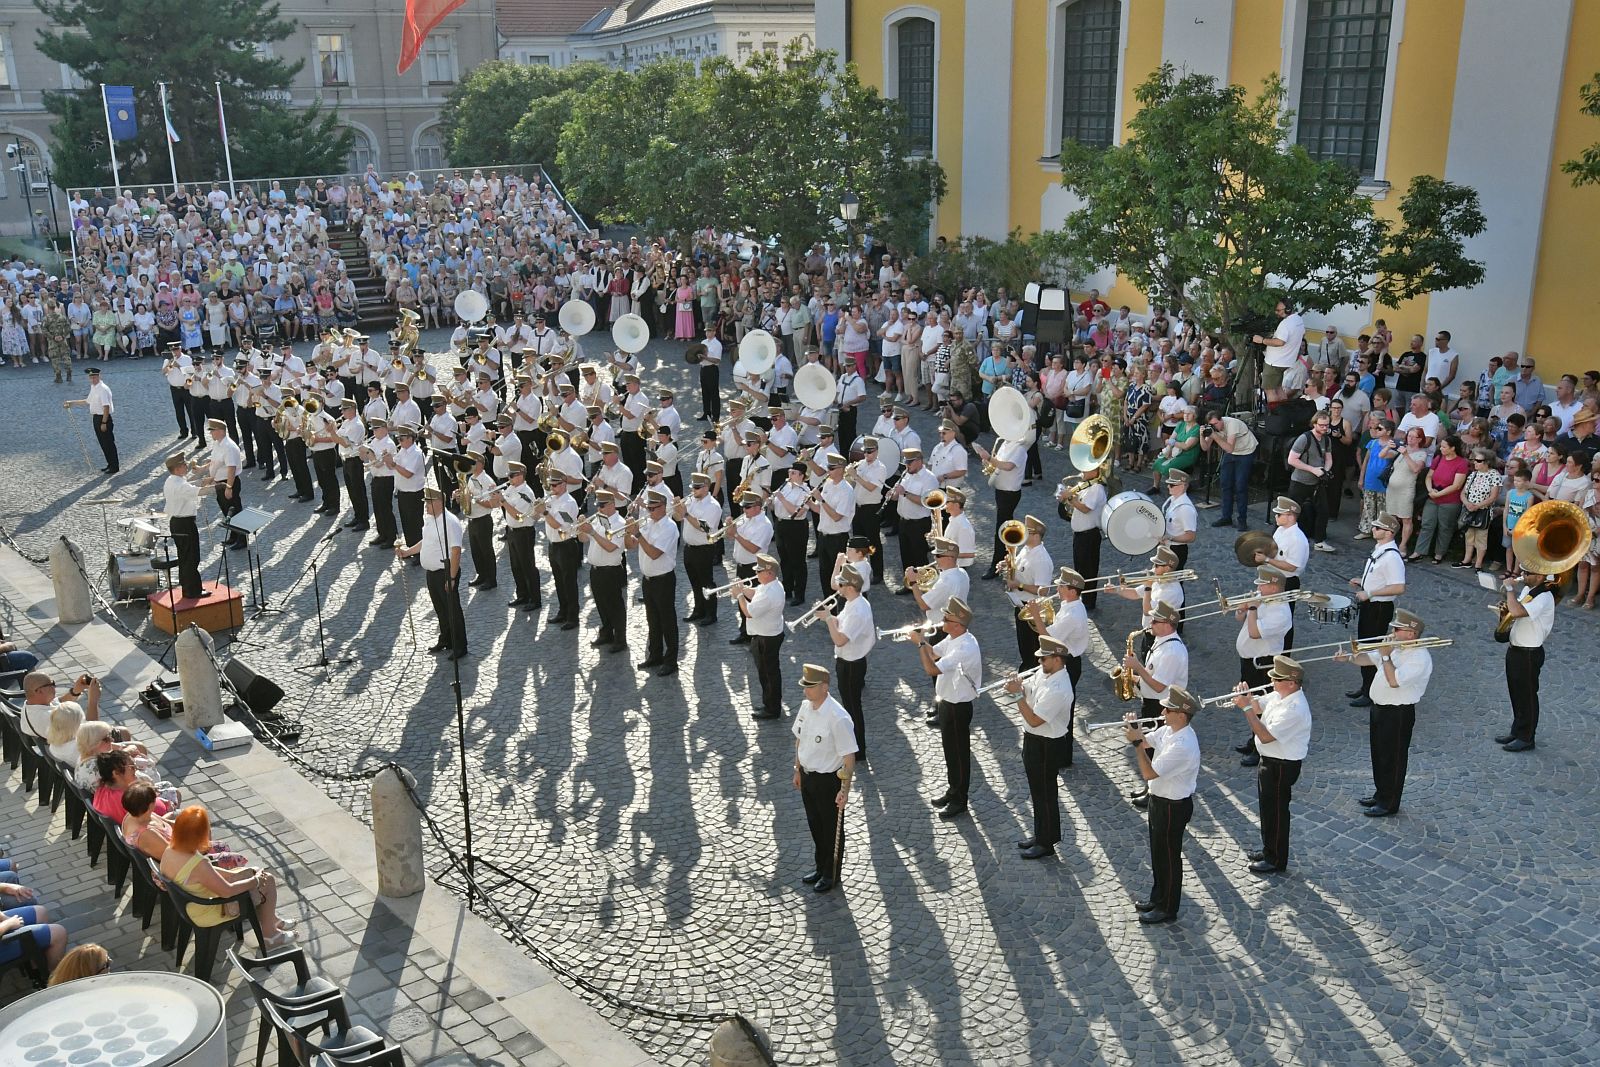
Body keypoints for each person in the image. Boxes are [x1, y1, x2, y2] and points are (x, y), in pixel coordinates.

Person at [1332, 608, 1433, 817]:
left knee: (1393, 758)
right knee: (1378, 755)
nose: (1392, 631)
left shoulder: (1419, 658)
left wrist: (1386, 657)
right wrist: (1350, 658)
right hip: (1380, 709)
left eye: (1397, 629)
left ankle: (1389, 803)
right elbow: (1366, 659)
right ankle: (1381, 793)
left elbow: (1394, 681)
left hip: (1398, 713)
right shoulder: (1396, 647)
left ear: (1411, 634)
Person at [158, 805, 296, 950]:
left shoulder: (171, 850)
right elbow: (227, 892)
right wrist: (254, 881)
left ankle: (271, 921)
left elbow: (206, 872)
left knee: (253, 872)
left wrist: (236, 874)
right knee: (268, 881)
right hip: (206, 910)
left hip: (188, 903)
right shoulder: (199, 864)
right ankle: (271, 936)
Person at [1124, 685, 1201, 925]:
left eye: (1167, 709)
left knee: (1168, 858)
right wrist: (1137, 732)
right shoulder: (1169, 730)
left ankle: (1168, 907)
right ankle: (1158, 898)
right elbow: (1148, 742)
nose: (1162, 711)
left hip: (1172, 807)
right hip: (1160, 803)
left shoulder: (1183, 745)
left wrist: (1136, 744)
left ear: (1181, 715)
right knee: (1158, 856)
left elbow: (1148, 773)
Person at [1235, 655, 1312, 874]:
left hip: (1281, 765)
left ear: (1291, 682)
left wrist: (1246, 709)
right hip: (1270, 762)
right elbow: (1259, 705)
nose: (1272, 683)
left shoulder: (1294, 708)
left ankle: (1276, 859)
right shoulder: (1280, 695)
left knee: (1276, 813)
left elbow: (1266, 736)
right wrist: (1247, 698)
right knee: (1267, 810)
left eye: (1277, 680)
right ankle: (1269, 849)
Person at [908, 596, 981, 820]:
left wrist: (920, 643)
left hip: (959, 707)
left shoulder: (965, 647)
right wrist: (922, 641)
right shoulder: (954, 637)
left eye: (946, 618)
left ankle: (960, 800)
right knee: (951, 752)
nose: (942, 621)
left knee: (959, 755)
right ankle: (953, 791)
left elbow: (931, 669)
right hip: (948, 703)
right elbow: (934, 653)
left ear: (958, 624)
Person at [1005, 636, 1075, 860]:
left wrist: (1017, 695)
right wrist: (1018, 687)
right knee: (1037, 791)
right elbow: (1029, 689)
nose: (1040, 662)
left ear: (1057, 659)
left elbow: (1035, 719)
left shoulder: (1059, 687)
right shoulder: (1044, 673)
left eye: (1044, 658)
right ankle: (1040, 834)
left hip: (1048, 744)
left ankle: (1046, 842)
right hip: (1034, 740)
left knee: (1045, 793)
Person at [791, 663, 858, 894]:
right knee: (815, 826)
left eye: (810, 687)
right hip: (809, 777)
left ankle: (832, 874)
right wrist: (797, 769)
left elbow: (849, 756)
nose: (805, 691)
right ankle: (820, 867)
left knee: (830, 829)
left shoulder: (837, 717)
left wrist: (845, 790)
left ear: (824, 687)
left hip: (828, 781)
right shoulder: (805, 707)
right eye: (805, 686)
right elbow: (799, 739)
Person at [395, 487, 467, 659]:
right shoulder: (430, 519)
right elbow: (425, 541)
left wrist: (451, 577)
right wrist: (407, 552)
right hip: (432, 572)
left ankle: (460, 645)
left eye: (428, 503)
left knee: (452, 610)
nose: (425, 506)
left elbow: (456, 551)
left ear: (438, 503)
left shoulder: (450, 522)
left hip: (445, 571)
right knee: (441, 609)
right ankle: (446, 639)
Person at [1232, 567, 1294, 767]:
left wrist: (1252, 608)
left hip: (1263, 663)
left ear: (1275, 587)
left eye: (1263, 584)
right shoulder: (1263, 598)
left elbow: (1254, 633)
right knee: (1252, 702)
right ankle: (1253, 741)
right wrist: (1242, 609)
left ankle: (1260, 749)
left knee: (1261, 706)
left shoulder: (1282, 612)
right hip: (1250, 660)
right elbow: (1239, 619)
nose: (1258, 587)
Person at [1347, 513, 1407, 706]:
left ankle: (1371, 692)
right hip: (1371, 604)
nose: (1374, 530)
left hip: (1379, 607)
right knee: (1364, 645)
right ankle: (1366, 686)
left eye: (1378, 528)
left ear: (1389, 532)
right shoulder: (1380, 549)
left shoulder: (1392, 557)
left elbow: (1399, 587)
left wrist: (1369, 592)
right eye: (1374, 527)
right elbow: (1378, 576)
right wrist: (1362, 582)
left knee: (1372, 648)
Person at [1499, 571, 1557, 752]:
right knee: (1516, 694)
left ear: (1540, 577)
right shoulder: (1527, 590)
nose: (1523, 575)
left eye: (1528, 573)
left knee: (1528, 696)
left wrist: (1509, 590)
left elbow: (1517, 612)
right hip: (1516, 649)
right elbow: (1515, 615)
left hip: (1529, 653)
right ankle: (1517, 731)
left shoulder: (1544, 597)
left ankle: (1526, 737)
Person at [821, 566, 874, 761]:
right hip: (848, 661)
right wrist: (829, 617)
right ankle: (854, 745)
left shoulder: (857, 609)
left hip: (851, 664)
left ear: (850, 586)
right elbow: (842, 625)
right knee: (850, 705)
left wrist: (827, 619)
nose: (838, 587)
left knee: (852, 707)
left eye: (841, 584)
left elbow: (840, 639)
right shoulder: (853, 603)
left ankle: (858, 750)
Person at [630, 489, 681, 677]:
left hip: (663, 580)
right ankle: (655, 655)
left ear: (663, 506)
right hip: (648, 580)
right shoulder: (649, 523)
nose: (650, 512)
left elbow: (654, 553)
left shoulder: (669, 527)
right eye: (649, 508)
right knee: (652, 620)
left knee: (667, 621)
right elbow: (633, 543)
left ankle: (671, 660)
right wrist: (630, 533)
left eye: (653, 508)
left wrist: (639, 535)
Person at [1256, 495, 1310, 648]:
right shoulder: (1280, 530)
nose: (1276, 516)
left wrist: (1266, 560)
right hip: (1274, 578)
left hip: (1287, 582)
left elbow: (1292, 566)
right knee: (1269, 613)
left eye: (1279, 514)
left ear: (1290, 516)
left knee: (1284, 619)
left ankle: (1284, 653)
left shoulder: (1297, 539)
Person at [580, 488, 629, 653]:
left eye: (602, 505)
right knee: (601, 603)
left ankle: (620, 639)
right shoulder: (598, 519)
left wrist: (592, 532)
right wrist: (581, 528)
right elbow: (583, 539)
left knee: (615, 605)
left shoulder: (619, 524)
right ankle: (607, 632)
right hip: (596, 569)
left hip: (611, 570)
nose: (599, 509)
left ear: (612, 504)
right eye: (598, 506)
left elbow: (610, 547)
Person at [737, 553, 785, 715]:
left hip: (766, 637)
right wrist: (743, 589)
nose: (756, 574)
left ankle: (772, 708)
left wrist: (738, 595)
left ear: (769, 573)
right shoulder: (768, 585)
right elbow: (755, 593)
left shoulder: (769, 593)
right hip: (766, 634)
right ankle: (769, 703)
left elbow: (749, 612)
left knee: (768, 673)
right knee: (766, 671)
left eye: (759, 571)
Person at [1005, 516, 1052, 669]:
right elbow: (1019, 569)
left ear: (1036, 535)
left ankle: (1029, 674)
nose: (1023, 534)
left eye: (1027, 532)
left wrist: (1019, 585)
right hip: (1020, 604)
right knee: (1023, 646)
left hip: (1032, 609)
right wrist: (1006, 565)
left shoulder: (1041, 560)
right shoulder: (1026, 549)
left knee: (1031, 649)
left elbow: (1043, 590)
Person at [1286, 410, 1335, 552]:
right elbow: (1292, 459)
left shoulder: (1326, 439)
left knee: (1323, 511)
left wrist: (1324, 470)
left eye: (1326, 425)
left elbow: (1329, 458)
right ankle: (1281, 538)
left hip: (1317, 483)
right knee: (1290, 511)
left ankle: (1319, 541)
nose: (1325, 428)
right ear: (1314, 424)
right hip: (1300, 481)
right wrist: (1313, 469)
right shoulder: (1304, 438)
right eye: (1321, 425)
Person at [162, 451, 207, 600]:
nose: (187, 465)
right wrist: (218, 487)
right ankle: (192, 591)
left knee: (185, 556)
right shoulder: (179, 485)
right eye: (183, 464)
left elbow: (189, 485)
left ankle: (188, 586)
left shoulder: (172, 480)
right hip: (185, 524)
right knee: (191, 557)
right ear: (177, 469)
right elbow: (196, 491)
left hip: (177, 522)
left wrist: (203, 480)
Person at [1206, 409, 1259, 530]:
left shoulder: (1232, 424)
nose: (1214, 427)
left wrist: (1214, 436)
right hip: (1232, 452)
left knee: (1240, 486)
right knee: (1225, 484)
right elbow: (1205, 447)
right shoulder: (1214, 429)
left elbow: (1229, 448)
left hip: (1246, 451)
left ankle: (1242, 519)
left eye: (1215, 424)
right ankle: (1226, 516)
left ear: (1221, 420)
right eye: (1211, 425)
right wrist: (1202, 435)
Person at [62, 366, 119, 473]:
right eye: (91, 377)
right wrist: (72, 403)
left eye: (94, 377)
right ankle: (110, 464)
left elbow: (106, 407)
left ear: (99, 376)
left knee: (108, 443)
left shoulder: (102, 389)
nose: (92, 379)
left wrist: (104, 422)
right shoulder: (94, 387)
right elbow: (88, 401)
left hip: (103, 418)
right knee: (103, 443)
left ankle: (114, 466)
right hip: (96, 418)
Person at [205, 418, 246, 550]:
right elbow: (216, 462)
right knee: (227, 512)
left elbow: (231, 468)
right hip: (220, 483)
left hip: (228, 483)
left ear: (220, 431)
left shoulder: (228, 447)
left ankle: (242, 539)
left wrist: (229, 487)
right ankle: (234, 536)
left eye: (212, 431)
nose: (211, 434)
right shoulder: (218, 444)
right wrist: (204, 471)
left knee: (235, 510)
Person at [1253, 300, 1306, 403]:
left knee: (1270, 390)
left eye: (1278, 310)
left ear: (1288, 309)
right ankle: (1284, 411)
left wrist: (1262, 340)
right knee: (1278, 387)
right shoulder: (1298, 320)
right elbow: (1302, 334)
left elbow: (1280, 342)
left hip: (1275, 362)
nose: (1276, 313)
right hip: (1286, 360)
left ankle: (1275, 413)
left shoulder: (1286, 324)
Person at [1159, 469, 1198, 569]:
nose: (1168, 486)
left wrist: (1170, 537)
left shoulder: (1185, 508)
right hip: (1168, 547)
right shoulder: (1173, 500)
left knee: (1173, 583)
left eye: (1172, 485)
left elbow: (1190, 536)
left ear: (1182, 486)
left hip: (1176, 549)